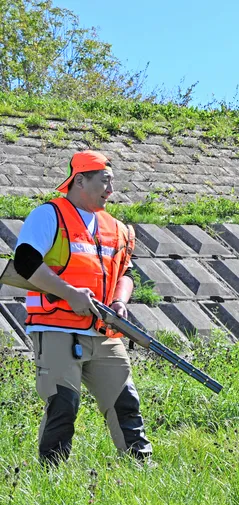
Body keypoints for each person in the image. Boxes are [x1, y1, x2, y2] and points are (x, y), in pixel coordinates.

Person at [11, 150, 151, 465]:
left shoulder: (117, 228)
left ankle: (142, 466)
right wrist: (69, 293)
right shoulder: (49, 215)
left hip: (103, 330)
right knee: (63, 404)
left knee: (125, 402)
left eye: (112, 183)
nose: (111, 191)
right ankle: (52, 476)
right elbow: (25, 262)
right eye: (104, 181)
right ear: (80, 180)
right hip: (57, 327)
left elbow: (126, 273)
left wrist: (120, 301)